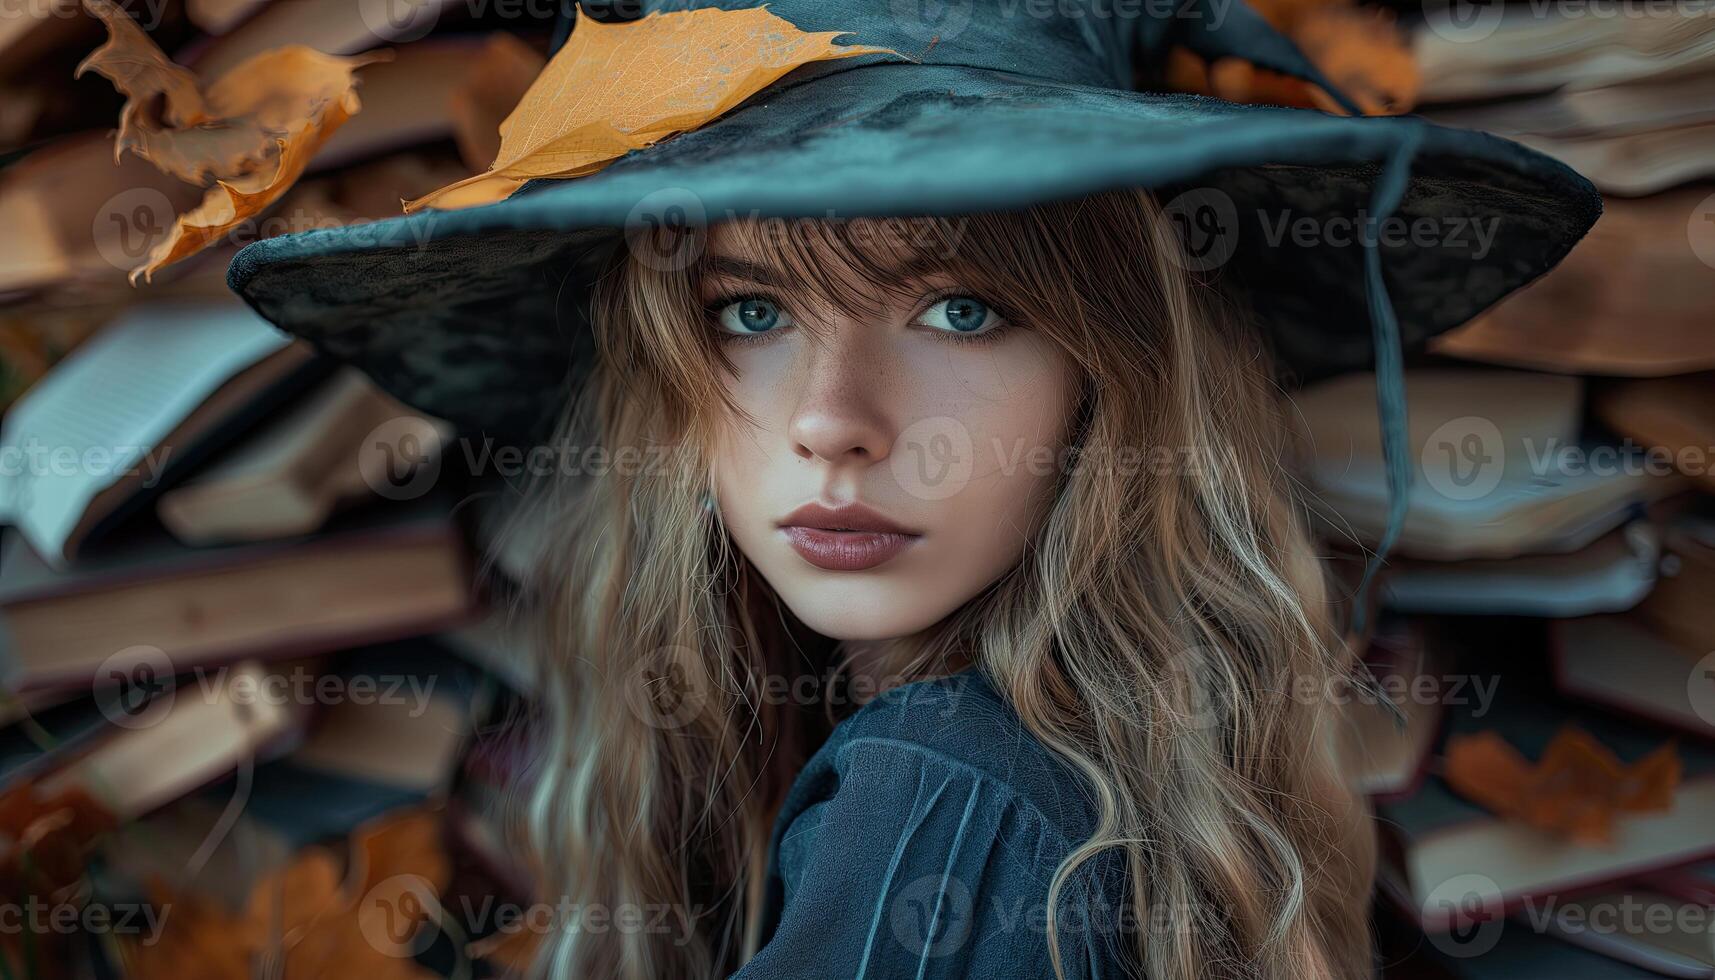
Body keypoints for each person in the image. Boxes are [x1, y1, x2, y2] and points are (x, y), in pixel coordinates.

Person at [228, 2, 1600, 976]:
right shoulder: (1078, 777)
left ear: (1113, 378)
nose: (834, 423)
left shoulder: (950, 797)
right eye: (751, 312)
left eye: (959, 310)